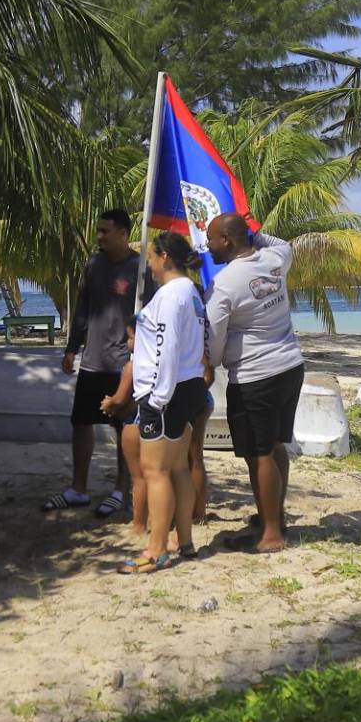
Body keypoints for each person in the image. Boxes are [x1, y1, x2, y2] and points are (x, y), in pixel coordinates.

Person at [203, 214, 305, 554]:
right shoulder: (275, 259)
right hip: (290, 367)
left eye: (211, 238)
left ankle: (271, 534)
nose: (207, 245)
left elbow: (214, 339)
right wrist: (252, 232)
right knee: (274, 446)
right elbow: (282, 243)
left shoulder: (224, 284)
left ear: (227, 240)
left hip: (254, 377)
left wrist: (213, 362)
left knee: (258, 455)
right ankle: (273, 516)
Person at [115, 232, 208, 575]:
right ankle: (185, 541)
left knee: (155, 471)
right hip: (188, 385)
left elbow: (166, 347)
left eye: (151, 257)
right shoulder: (191, 292)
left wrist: (157, 398)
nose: (150, 265)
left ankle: (156, 551)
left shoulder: (171, 295)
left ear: (165, 256)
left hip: (168, 391)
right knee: (178, 467)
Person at [50, 209, 150, 518]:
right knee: (81, 423)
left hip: (123, 365)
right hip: (92, 361)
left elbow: (153, 317)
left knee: (123, 428)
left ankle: (120, 490)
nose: (99, 236)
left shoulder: (140, 269)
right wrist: (71, 348)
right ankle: (78, 488)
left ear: (123, 233)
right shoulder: (93, 265)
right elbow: (82, 309)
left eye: (105, 231)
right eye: (99, 230)